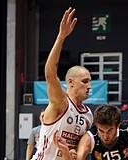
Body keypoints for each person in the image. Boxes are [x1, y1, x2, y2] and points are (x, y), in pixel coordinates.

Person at [31, 7, 93, 160]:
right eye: (85, 81)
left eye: (90, 82)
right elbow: (50, 74)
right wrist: (61, 37)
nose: (89, 86)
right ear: (70, 82)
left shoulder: (89, 116)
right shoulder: (61, 102)